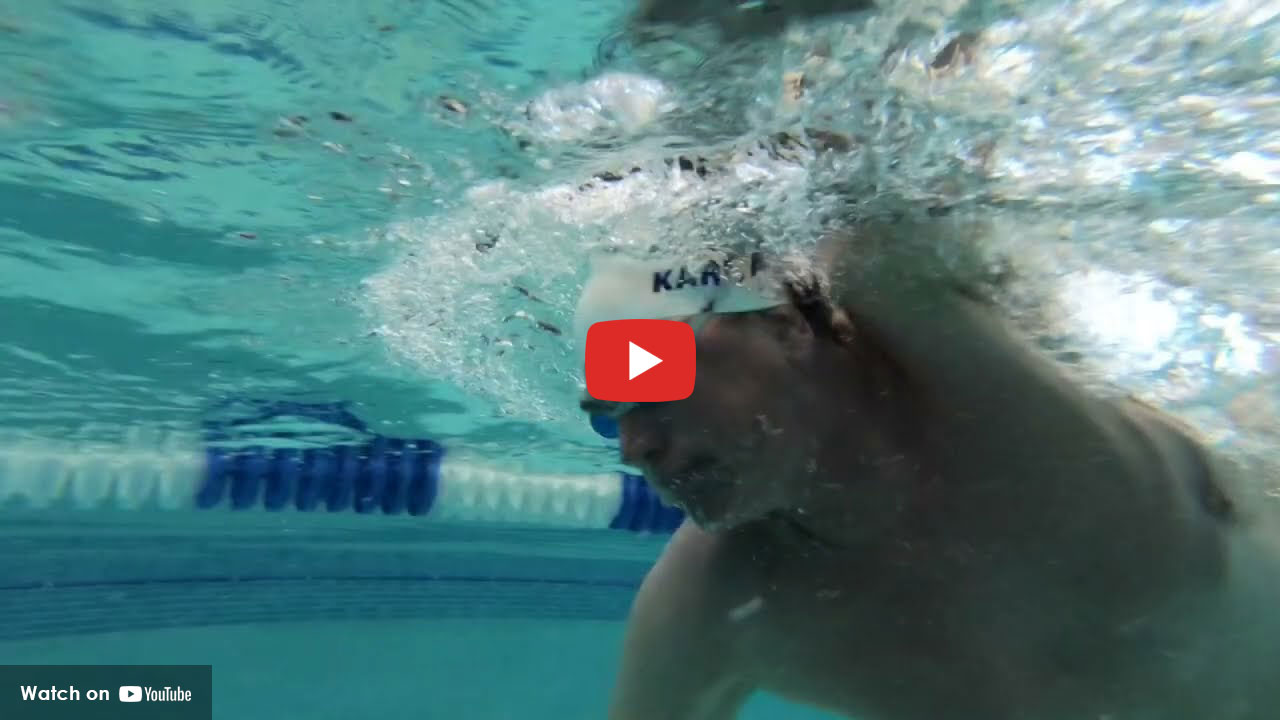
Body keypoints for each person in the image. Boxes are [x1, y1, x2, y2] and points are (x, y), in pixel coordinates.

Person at [575, 215, 1280, 720]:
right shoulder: (708, 607)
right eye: (607, 412)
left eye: (653, 373)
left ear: (786, 327)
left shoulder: (948, 347)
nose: (634, 445)